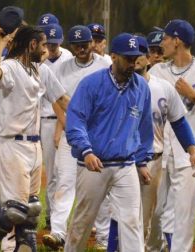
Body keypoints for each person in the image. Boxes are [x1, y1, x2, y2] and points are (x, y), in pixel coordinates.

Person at [0, 19, 68, 252]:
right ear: (32, 44)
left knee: (32, 209)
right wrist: (3, 41)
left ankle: (20, 247)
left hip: (33, 146)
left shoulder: (39, 69)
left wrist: (88, 119)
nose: (45, 50)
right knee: (16, 210)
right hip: (9, 145)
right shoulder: (12, 67)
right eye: (42, 45)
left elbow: (63, 100)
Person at [62, 32, 153, 252]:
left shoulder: (141, 87)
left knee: (132, 221)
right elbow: (75, 121)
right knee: (83, 221)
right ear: (113, 57)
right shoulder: (91, 84)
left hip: (125, 165)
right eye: (128, 58)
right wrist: (86, 150)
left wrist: (142, 162)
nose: (133, 62)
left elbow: (144, 128)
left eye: (136, 58)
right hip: (94, 164)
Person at [148, 19, 195, 252]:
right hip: (158, 148)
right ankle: (153, 248)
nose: (163, 44)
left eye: (167, 39)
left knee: (183, 212)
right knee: (155, 210)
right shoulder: (157, 71)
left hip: (190, 150)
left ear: (177, 41)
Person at [128, 35, 195, 250]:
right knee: (122, 214)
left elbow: (179, 122)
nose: (136, 58)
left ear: (149, 58)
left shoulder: (164, 88)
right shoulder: (118, 86)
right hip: (123, 160)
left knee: (147, 217)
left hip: (153, 160)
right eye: (131, 55)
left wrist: (192, 151)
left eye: (140, 54)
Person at [42, 24, 111, 250]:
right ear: (70, 46)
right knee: (65, 182)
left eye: (85, 43)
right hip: (72, 134)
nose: (81, 48)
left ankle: (103, 236)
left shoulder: (106, 65)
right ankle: (58, 233)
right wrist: (67, 126)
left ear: (92, 42)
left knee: (100, 184)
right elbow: (56, 99)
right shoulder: (62, 68)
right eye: (77, 45)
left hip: (99, 135)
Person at [40, 22, 72, 230]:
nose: (51, 48)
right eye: (48, 43)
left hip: (62, 120)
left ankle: (57, 218)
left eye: (54, 43)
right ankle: (49, 216)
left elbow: (61, 97)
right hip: (41, 121)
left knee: (61, 174)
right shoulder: (37, 59)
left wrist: (64, 125)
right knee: (48, 173)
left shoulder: (68, 59)